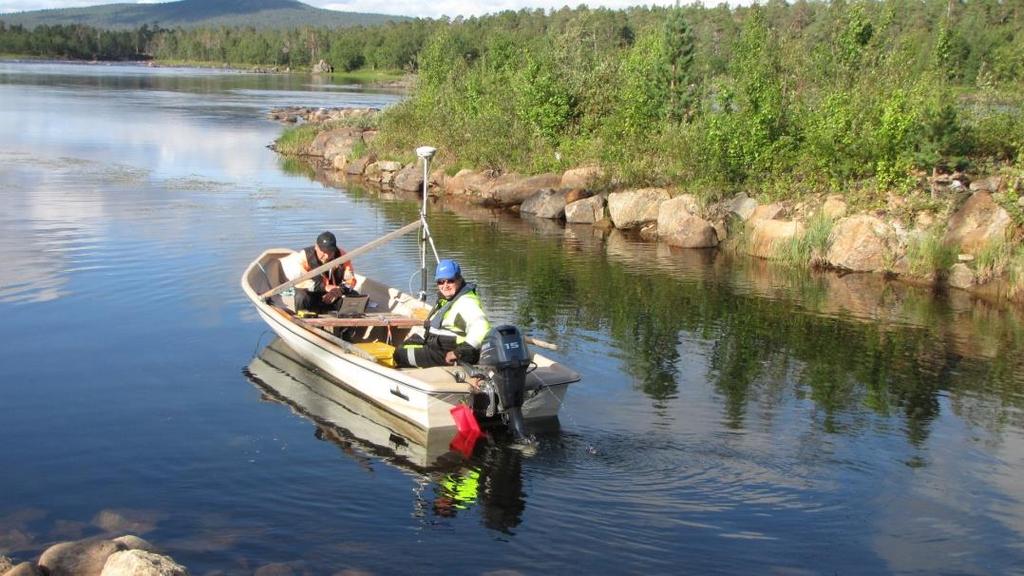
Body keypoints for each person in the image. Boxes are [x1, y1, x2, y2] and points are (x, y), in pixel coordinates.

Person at [394, 259, 490, 368]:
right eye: (440, 282)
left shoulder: (466, 302)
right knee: (405, 345)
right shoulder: (448, 299)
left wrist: (458, 352)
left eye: (450, 281)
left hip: (449, 352)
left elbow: (482, 328)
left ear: (459, 279)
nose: (445, 285)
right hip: (436, 343)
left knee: (399, 354)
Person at [280, 231, 357, 313]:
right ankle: (303, 320)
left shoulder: (342, 256)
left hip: (333, 294)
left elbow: (351, 280)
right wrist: (324, 287)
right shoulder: (304, 257)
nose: (327, 256)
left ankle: (346, 323)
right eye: (324, 252)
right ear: (316, 247)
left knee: (355, 297)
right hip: (311, 293)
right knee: (301, 296)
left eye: (331, 252)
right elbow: (300, 282)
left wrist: (340, 290)